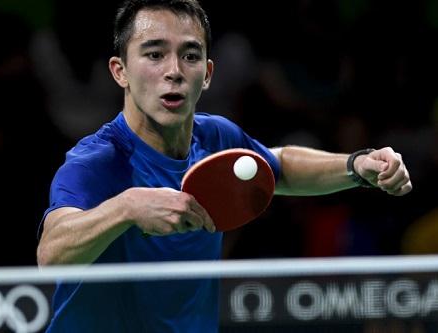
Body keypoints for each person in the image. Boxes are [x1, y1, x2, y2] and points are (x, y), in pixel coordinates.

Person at [36, 0, 412, 332]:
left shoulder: (216, 138)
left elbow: (277, 166)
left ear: (208, 73)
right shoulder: (98, 161)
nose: (174, 71)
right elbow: (51, 255)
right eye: (154, 54)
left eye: (190, 55)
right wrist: (127, 207)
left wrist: (356, 165)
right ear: (120, 72)